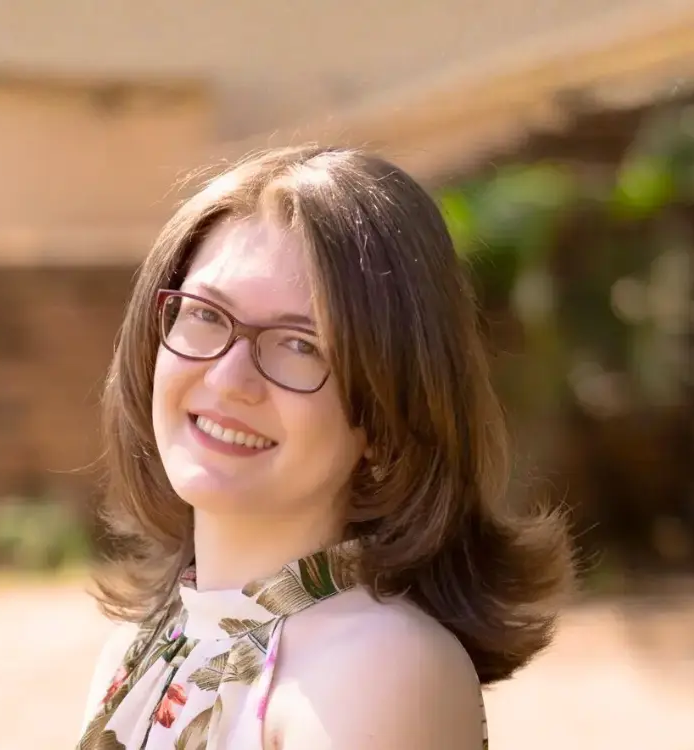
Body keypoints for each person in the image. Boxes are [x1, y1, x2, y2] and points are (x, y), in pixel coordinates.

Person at [76, 145, 576, 749]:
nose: (229, 379)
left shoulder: (378, 667)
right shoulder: (143, 650)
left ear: (387, 417)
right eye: (206, 315)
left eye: (301, 345)